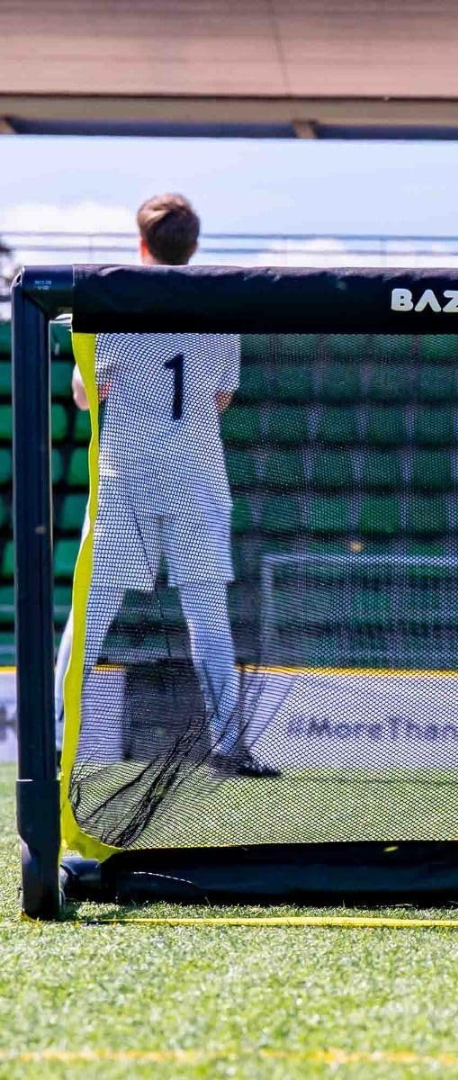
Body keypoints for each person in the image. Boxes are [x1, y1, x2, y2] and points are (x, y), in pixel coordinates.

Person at [55, 193, 278, 778]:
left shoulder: (117, 305)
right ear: (193, 246)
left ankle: (58, 738)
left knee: (90, 615)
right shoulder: (217, 311)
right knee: (208, 618)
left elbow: (84, 396)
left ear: (142, 244)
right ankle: (228, 746)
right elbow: (221, 399)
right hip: (197, 480)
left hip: (129, 479)